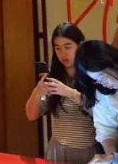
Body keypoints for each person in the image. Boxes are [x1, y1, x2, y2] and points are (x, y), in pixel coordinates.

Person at [24, 22, 96, 164]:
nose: (63, 54)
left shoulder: (93, 76)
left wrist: (70, 93)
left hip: (87, 151)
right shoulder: (53, 78)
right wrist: (37, 92)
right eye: (57, 48)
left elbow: (101, 112)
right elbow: (31, 115)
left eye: (68, 47)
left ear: (80, 46)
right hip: (57, 151)